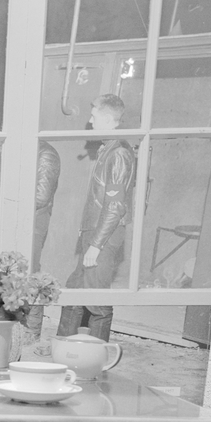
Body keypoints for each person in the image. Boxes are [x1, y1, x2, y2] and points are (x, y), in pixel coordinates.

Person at [57, 94, 135, 342]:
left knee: (97, 302)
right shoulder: (108, 149)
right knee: (73, 292)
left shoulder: (118, 154)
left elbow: (115, 206)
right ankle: (64, 347)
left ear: (109, 121)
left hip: (103, 236)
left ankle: (98, 355)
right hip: (94, 233)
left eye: (93, 117)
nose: (90, 122)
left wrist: (96, 245)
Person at [25, 139, 61, 340]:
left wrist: (8, 204)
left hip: (34, 221)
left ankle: (32, 329)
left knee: (31, 273)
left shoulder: (46, 154)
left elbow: (41, 196)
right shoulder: (24, 147)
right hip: (19, 218)